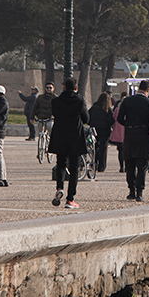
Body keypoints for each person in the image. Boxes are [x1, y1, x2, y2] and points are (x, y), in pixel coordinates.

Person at [49, 78, 89, 209]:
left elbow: (55, 114)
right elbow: (86, 118)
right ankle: (70, 198)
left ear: (64, 87)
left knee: (60, 163)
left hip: (60, 135)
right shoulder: (80, 100)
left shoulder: (56, 101)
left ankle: (59, 187)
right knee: (74, 168)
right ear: (76, 88)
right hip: (75, 136)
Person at [117, 80, 149, 201]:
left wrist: (128, 124)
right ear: (148, 90)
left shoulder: (127, 101)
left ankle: (131, 190)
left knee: (129, 164)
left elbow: (120, 118)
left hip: (130, 134)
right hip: (143, 134)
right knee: (142, 164)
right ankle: (139, 192)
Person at [87, 92, 115, 173]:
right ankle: (102, 166)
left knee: (95, 147)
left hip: (95, 130)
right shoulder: (107, 109)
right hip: (105, 130)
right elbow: (111, 120)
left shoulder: (94, 107)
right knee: (103, 148)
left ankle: (95, 163)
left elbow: (88, 117)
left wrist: (92, 124)